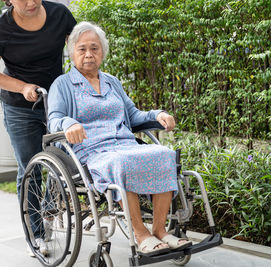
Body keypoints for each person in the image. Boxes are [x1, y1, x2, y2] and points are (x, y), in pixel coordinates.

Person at [47, 21, 192, 256]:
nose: (89, 54)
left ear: (102, 52)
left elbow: (133, 115)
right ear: (72, 52)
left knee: (165, 155)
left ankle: (160, 230)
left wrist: (158, 115)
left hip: (124, 144)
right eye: (82, 49)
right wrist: (68, 123)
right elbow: (54, 117)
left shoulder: (112, 81)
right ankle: (141, 234)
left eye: (94, 48)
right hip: (92, 151)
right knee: (121, 164)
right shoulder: (62, 85)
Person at [0, 0, 76, 256]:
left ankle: (47, 211)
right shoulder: (0, 30)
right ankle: (35, 234)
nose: (31, 2)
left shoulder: (59, 14)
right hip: (20, 107)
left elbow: (78, 47)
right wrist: (23, 87)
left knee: (63, 161)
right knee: (31, 168)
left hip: (57, 102)